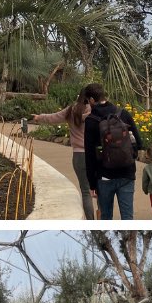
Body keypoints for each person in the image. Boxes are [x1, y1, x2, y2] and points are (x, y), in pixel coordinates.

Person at [31, 86, 97, 219]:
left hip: (79, 155)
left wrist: (39, 117)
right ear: (92, 98)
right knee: (101, 190)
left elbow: (54, 117)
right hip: (95, 155)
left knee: (85, 191)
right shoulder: (96, 111)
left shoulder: (71, 110)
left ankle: (91, 222)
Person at [83, 82, 142, 221]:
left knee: (105, 217)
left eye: (87, 101)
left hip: (104, 177)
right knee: (128, 217)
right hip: (127, 174)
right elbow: (139, 144)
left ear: (92, 100)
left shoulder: (91, 121)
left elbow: (89, 156)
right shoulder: (123, 114)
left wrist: (92, 183)